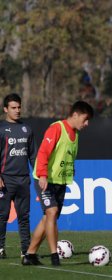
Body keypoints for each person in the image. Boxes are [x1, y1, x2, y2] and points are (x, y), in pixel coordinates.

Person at [22, 101, 94, 266]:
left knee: (47, 218)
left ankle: (30, 255)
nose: (87, 123)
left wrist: (71, 169)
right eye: (85, 119)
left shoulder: (75, 135)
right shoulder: (56, 128)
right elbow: (43, 152)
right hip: (45, 180)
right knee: (52, 212)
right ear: (75, 115)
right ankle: (55, 255)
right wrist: (42, 175)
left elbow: (67, 156)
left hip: (60, 182)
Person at [0, 93, 37, 259]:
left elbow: (33, 156)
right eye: (13, 108)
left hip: (23, 179)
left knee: (24, 217)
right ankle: (0, 249)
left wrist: (39, 176)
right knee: (2, 215)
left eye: (19, 107)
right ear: (5, 109)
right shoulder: (1, 129)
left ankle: (26, 251)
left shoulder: (27, 129)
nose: (17, 110)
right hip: (5, 180)